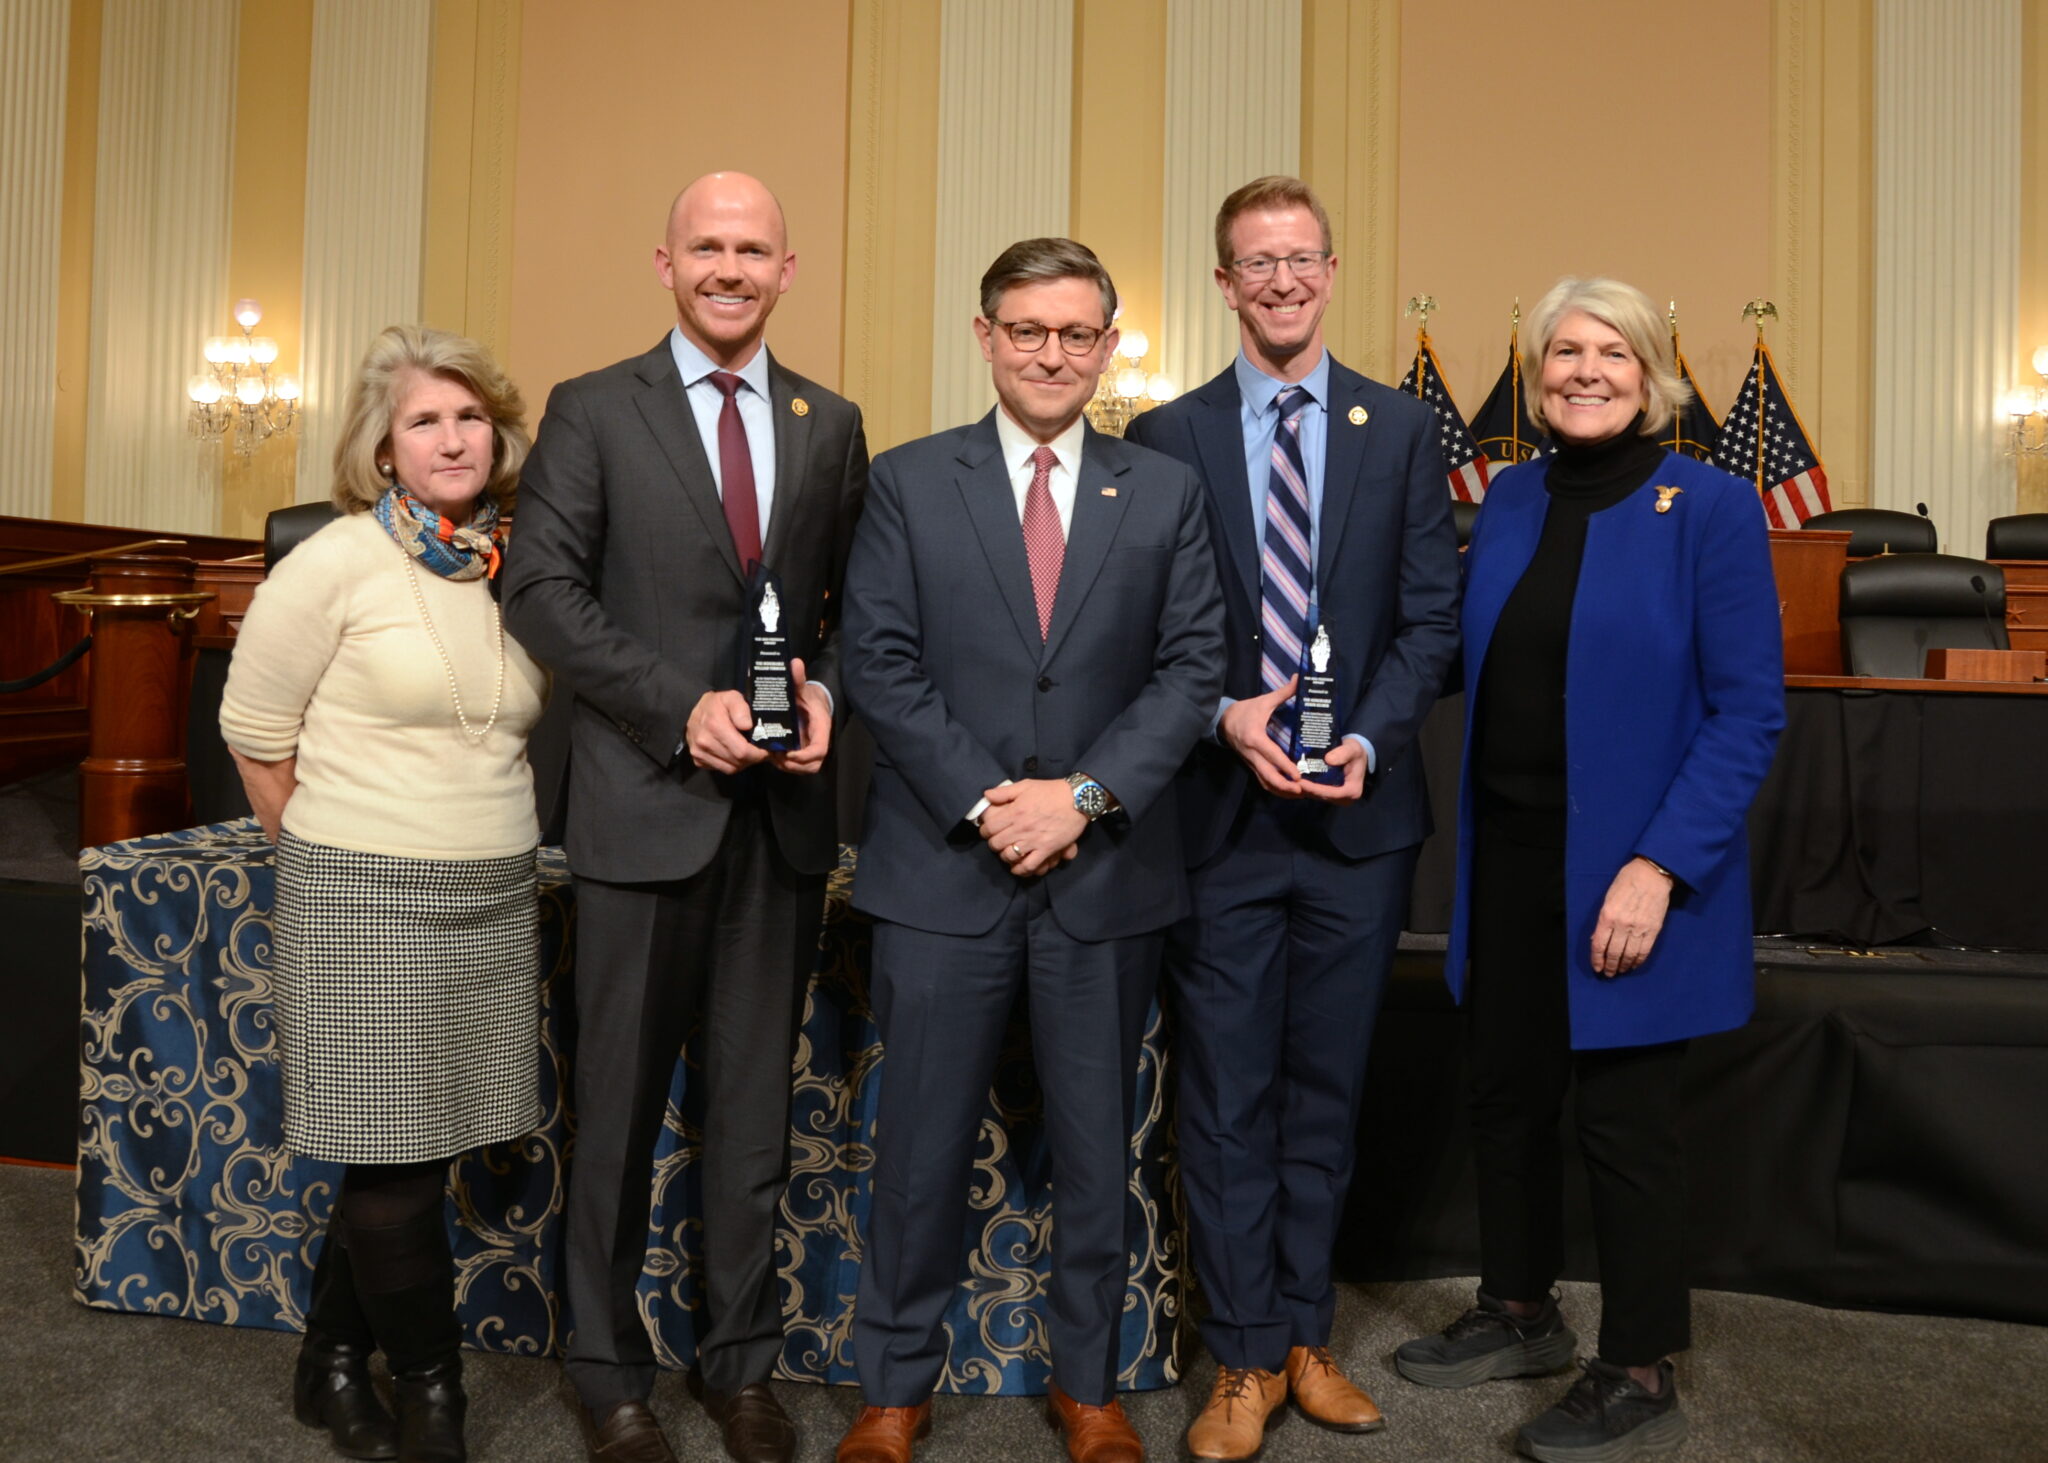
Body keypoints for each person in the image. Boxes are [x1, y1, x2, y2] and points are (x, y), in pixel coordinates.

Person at [834, 238, 1226, 1463]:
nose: (1050, 353)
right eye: (1026, 330)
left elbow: (1191, 668)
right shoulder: (906, 479)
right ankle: (892, 1391)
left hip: (1104, 876)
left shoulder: (1159, 491)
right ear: (984, 334)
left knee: (1096, 1152)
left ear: (1106, 345)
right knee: (918, 1149)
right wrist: (995, 799)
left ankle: (1088, 1387)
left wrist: (1084, 797)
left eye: (1074, 333)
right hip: (944, 871)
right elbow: (880, 662)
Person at [500, 171, 867, 1463]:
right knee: (616, 1110)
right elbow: (540, 591)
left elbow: (842, 617)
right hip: (643, 812)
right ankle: (606, 1373)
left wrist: (822, 688)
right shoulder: (594, 409)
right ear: (664, 261)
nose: (729, 265)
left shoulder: (832, 423)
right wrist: (679, 705)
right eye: (706, 245)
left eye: (752, 247)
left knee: (753, 1117)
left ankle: (741, 1364)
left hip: (777, 823)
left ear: (787, 268)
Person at [1392, 277, 1784, 1463]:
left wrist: (1657, 865)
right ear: (1536, 369)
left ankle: (1638, 1361)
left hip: (1626, 874)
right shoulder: (1509, 496)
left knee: (1623, 1125)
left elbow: (1747, 712)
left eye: (1610, 350)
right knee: (1504, 1097)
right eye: (1562, 350)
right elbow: (1459, 653)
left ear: (1653, 369)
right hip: (1508, 858)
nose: (1582, 369)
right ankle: (1518, 1309)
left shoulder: (1710, 506)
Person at [1124, 176, 1459, 1460]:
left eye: (1298, 258)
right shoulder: (1163, 438)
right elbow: (1151, 632)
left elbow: (1429, 617)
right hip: (1217, 814)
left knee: (1323, 1089)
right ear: (1223, 284)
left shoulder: (1400, 428)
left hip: (1359, 824)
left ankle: (1307, 1334)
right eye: (1252, 263)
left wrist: (1362, 738)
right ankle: (1243, 1355)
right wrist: (1228, 715)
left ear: (1330, 269)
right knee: (1223, 1091)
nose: (1278, 280)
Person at [221, 325, 547, 1463]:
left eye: (468, 416)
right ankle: (433, 1394)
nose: (451, 438)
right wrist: (328, 850)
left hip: (496, 892)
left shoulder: (514, 560)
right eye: (424, 420)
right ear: (383, 447)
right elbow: (254, 730)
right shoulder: (336, 561)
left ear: (497, 431)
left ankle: (328, 1359)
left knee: (410, 1149)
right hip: (363, 894)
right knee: (397, 1162)